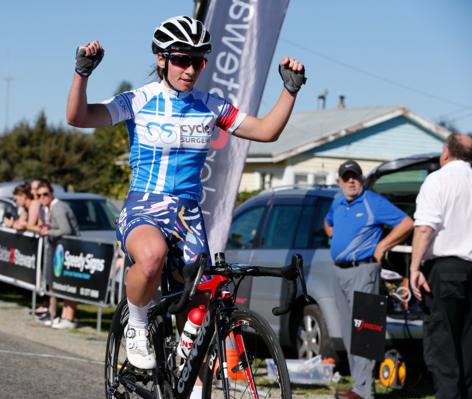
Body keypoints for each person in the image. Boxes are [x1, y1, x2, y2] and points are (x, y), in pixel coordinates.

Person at [66, 14, 306, 384]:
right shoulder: (140, 100)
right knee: (151, 258)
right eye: (181, 59)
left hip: (188, 216)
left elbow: (267, 131)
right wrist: (82, 73)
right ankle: (137, 322)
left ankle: (186, 375)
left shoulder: (210, 105)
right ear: (161, 58)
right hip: (145, 207)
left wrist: (289, 90)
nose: (190, 68)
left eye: (199, 60)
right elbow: (78, 116)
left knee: (200, 316)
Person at [323, 160, 413, 399]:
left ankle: (366, 391)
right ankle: (359, 387)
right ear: (340, 181)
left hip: (364, 270)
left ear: (361, 179)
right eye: (347, 177)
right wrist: (334, 236)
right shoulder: (337, 201)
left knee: (365, 331)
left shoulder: (372, 202)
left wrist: (383, 245)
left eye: (355, 176)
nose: (351, 181)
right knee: (348, 332)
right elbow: (327, 221)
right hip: (339, 271)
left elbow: (406, 223)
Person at [409, 133, 472, 399]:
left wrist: (414, 269)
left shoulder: (437, 180)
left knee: (443, 349)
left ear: (445, 152)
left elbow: (425, 228)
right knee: (469, 349)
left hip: (446, 272)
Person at [36, 180, 81, 330]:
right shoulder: (49, 208)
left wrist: (48, 232)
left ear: (51, 194)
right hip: (61, 250)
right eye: (39, 195)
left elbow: (66, 230)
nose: (42, 197)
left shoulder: (58, 208)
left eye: (45, 194)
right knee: (56, 282)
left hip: (70, 249)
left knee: (68, 283)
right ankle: (55, 314)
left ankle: (68, 318)